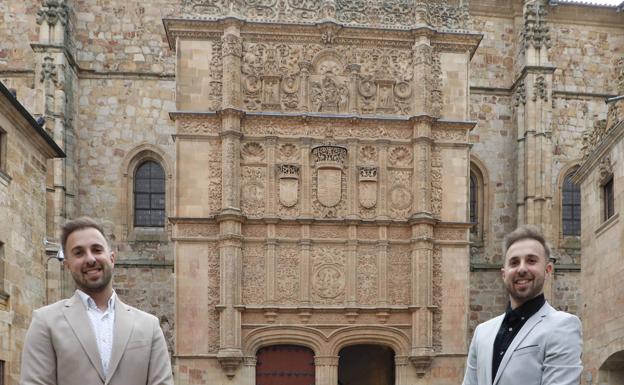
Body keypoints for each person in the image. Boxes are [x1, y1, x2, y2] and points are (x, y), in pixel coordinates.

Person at [20, 217, 173, 385]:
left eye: (97, 250)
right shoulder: (45, 322)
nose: (90, 259)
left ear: (112, 259)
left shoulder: (149, 326)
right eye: (78, 253)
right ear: (67, 265)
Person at [462, 225, 582, 385]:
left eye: (531, 261)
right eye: (514, 262)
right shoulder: (482, 332)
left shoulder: (563, 326)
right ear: (504, 274)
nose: (522, 268)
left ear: (548, 270)